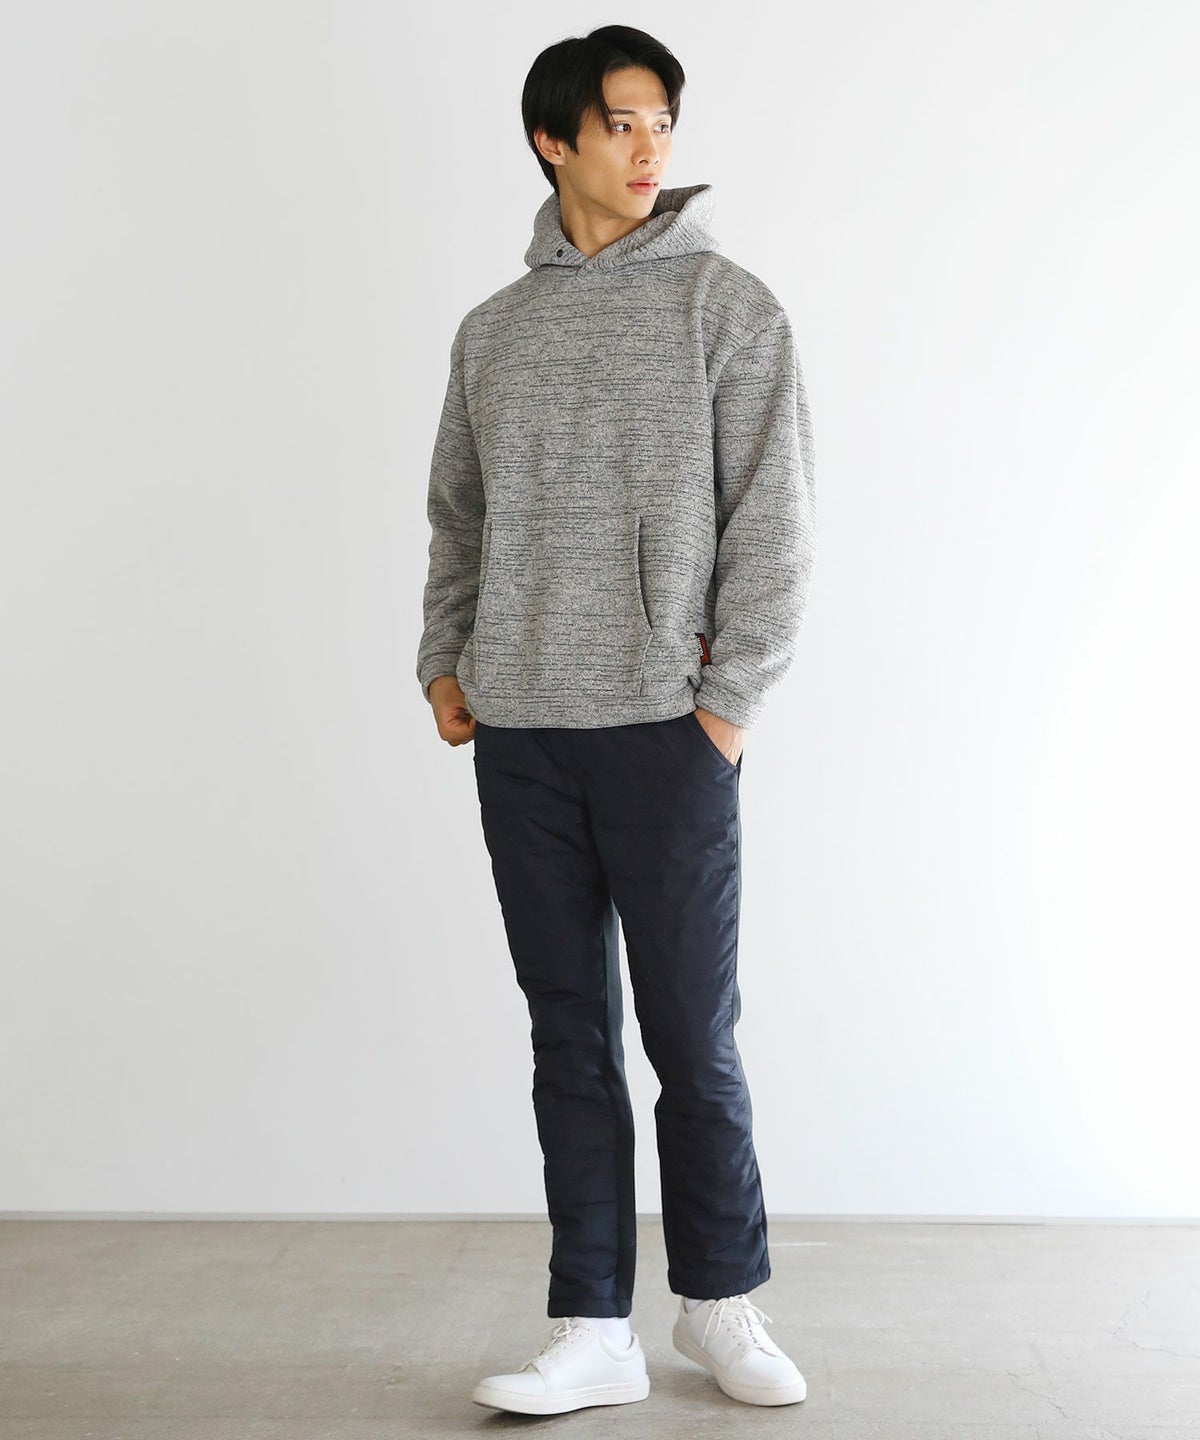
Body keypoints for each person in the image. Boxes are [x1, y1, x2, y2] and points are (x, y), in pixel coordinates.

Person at [416, 24, 816, 1416]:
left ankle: (719, 1303)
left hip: (667, 732)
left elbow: (776, 521)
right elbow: (457, 515)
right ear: (555, 140)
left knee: (692, 1037)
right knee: (567, 1039)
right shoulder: (493, 332)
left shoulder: (726, 307)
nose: (651, 148)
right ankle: (593, 1323)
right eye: (623, 123)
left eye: (663, 123)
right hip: (522, 735)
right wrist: (446, 660)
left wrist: (725, 707)